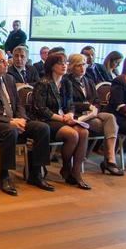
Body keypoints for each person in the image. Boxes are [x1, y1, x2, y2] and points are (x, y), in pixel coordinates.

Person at [0, 48, 54, 196]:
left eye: (5, 60)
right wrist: (10, 121)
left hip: (13, 121)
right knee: (10, 130)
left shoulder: (9, 79)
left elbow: (19, 104)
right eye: (2, 61)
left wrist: (21, 119)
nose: (6, 63)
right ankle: (4, 176)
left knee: (43, 128)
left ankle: (35, 174)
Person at [29, 52, 91, 189]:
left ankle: (75, 171)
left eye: (65, 63)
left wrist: (70, 114)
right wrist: (62, 118)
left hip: (63, 119)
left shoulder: (66, 82)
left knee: (84, 132)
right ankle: (67, 167)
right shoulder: (43, 83)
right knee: (72, 134)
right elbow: (40, 109)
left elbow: (70, 104)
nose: (64, 65)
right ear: (52, 66)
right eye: (60, 63)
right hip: (46, 120)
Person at [66, 53, 123, 175]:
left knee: (110, 117)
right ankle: (109, 160)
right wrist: (88, 106)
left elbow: (96, 99)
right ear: (71, 67)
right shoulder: (66, 81)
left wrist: (94, 108)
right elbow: (68, 102)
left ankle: (110, 157)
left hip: (92, 112)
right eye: (78, 65)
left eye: (84, 65)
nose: (82, 68)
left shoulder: (89, 81)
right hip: (77, 115)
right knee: (110, 126)